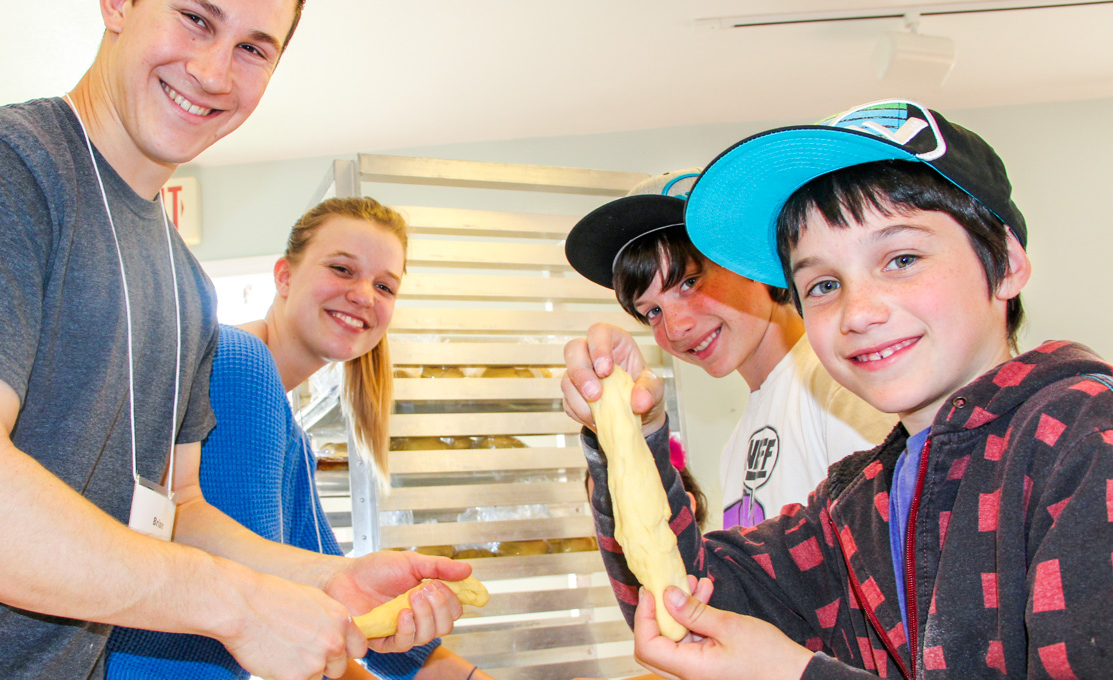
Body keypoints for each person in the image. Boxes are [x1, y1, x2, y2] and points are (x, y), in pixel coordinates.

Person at [0, 0, 463, 679]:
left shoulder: (183, 282)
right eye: (195, 18)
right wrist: (236, 604)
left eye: (251, 49)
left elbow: (174, 511)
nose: (212, 71)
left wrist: (319, 581)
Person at [584, 100, 1113, 679]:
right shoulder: (855, 503)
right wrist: (630, 428)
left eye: (902, 258)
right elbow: (680, 601)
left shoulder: (1087, 440)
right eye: (825, 284)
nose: (857, 312)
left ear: (1006, 263)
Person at [106, 196, 493, 680]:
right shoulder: (238, 362)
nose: (364, 296)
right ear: (284, 277)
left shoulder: (286, 429)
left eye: (384, 286)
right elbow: (264, 589)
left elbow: (334, 585)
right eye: (342, 269)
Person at [562, 169, 894, 529]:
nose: (676, 328)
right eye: (653, 312)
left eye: (689, 282)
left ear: (749, 259)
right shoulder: (736, 447)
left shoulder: (844, 383)